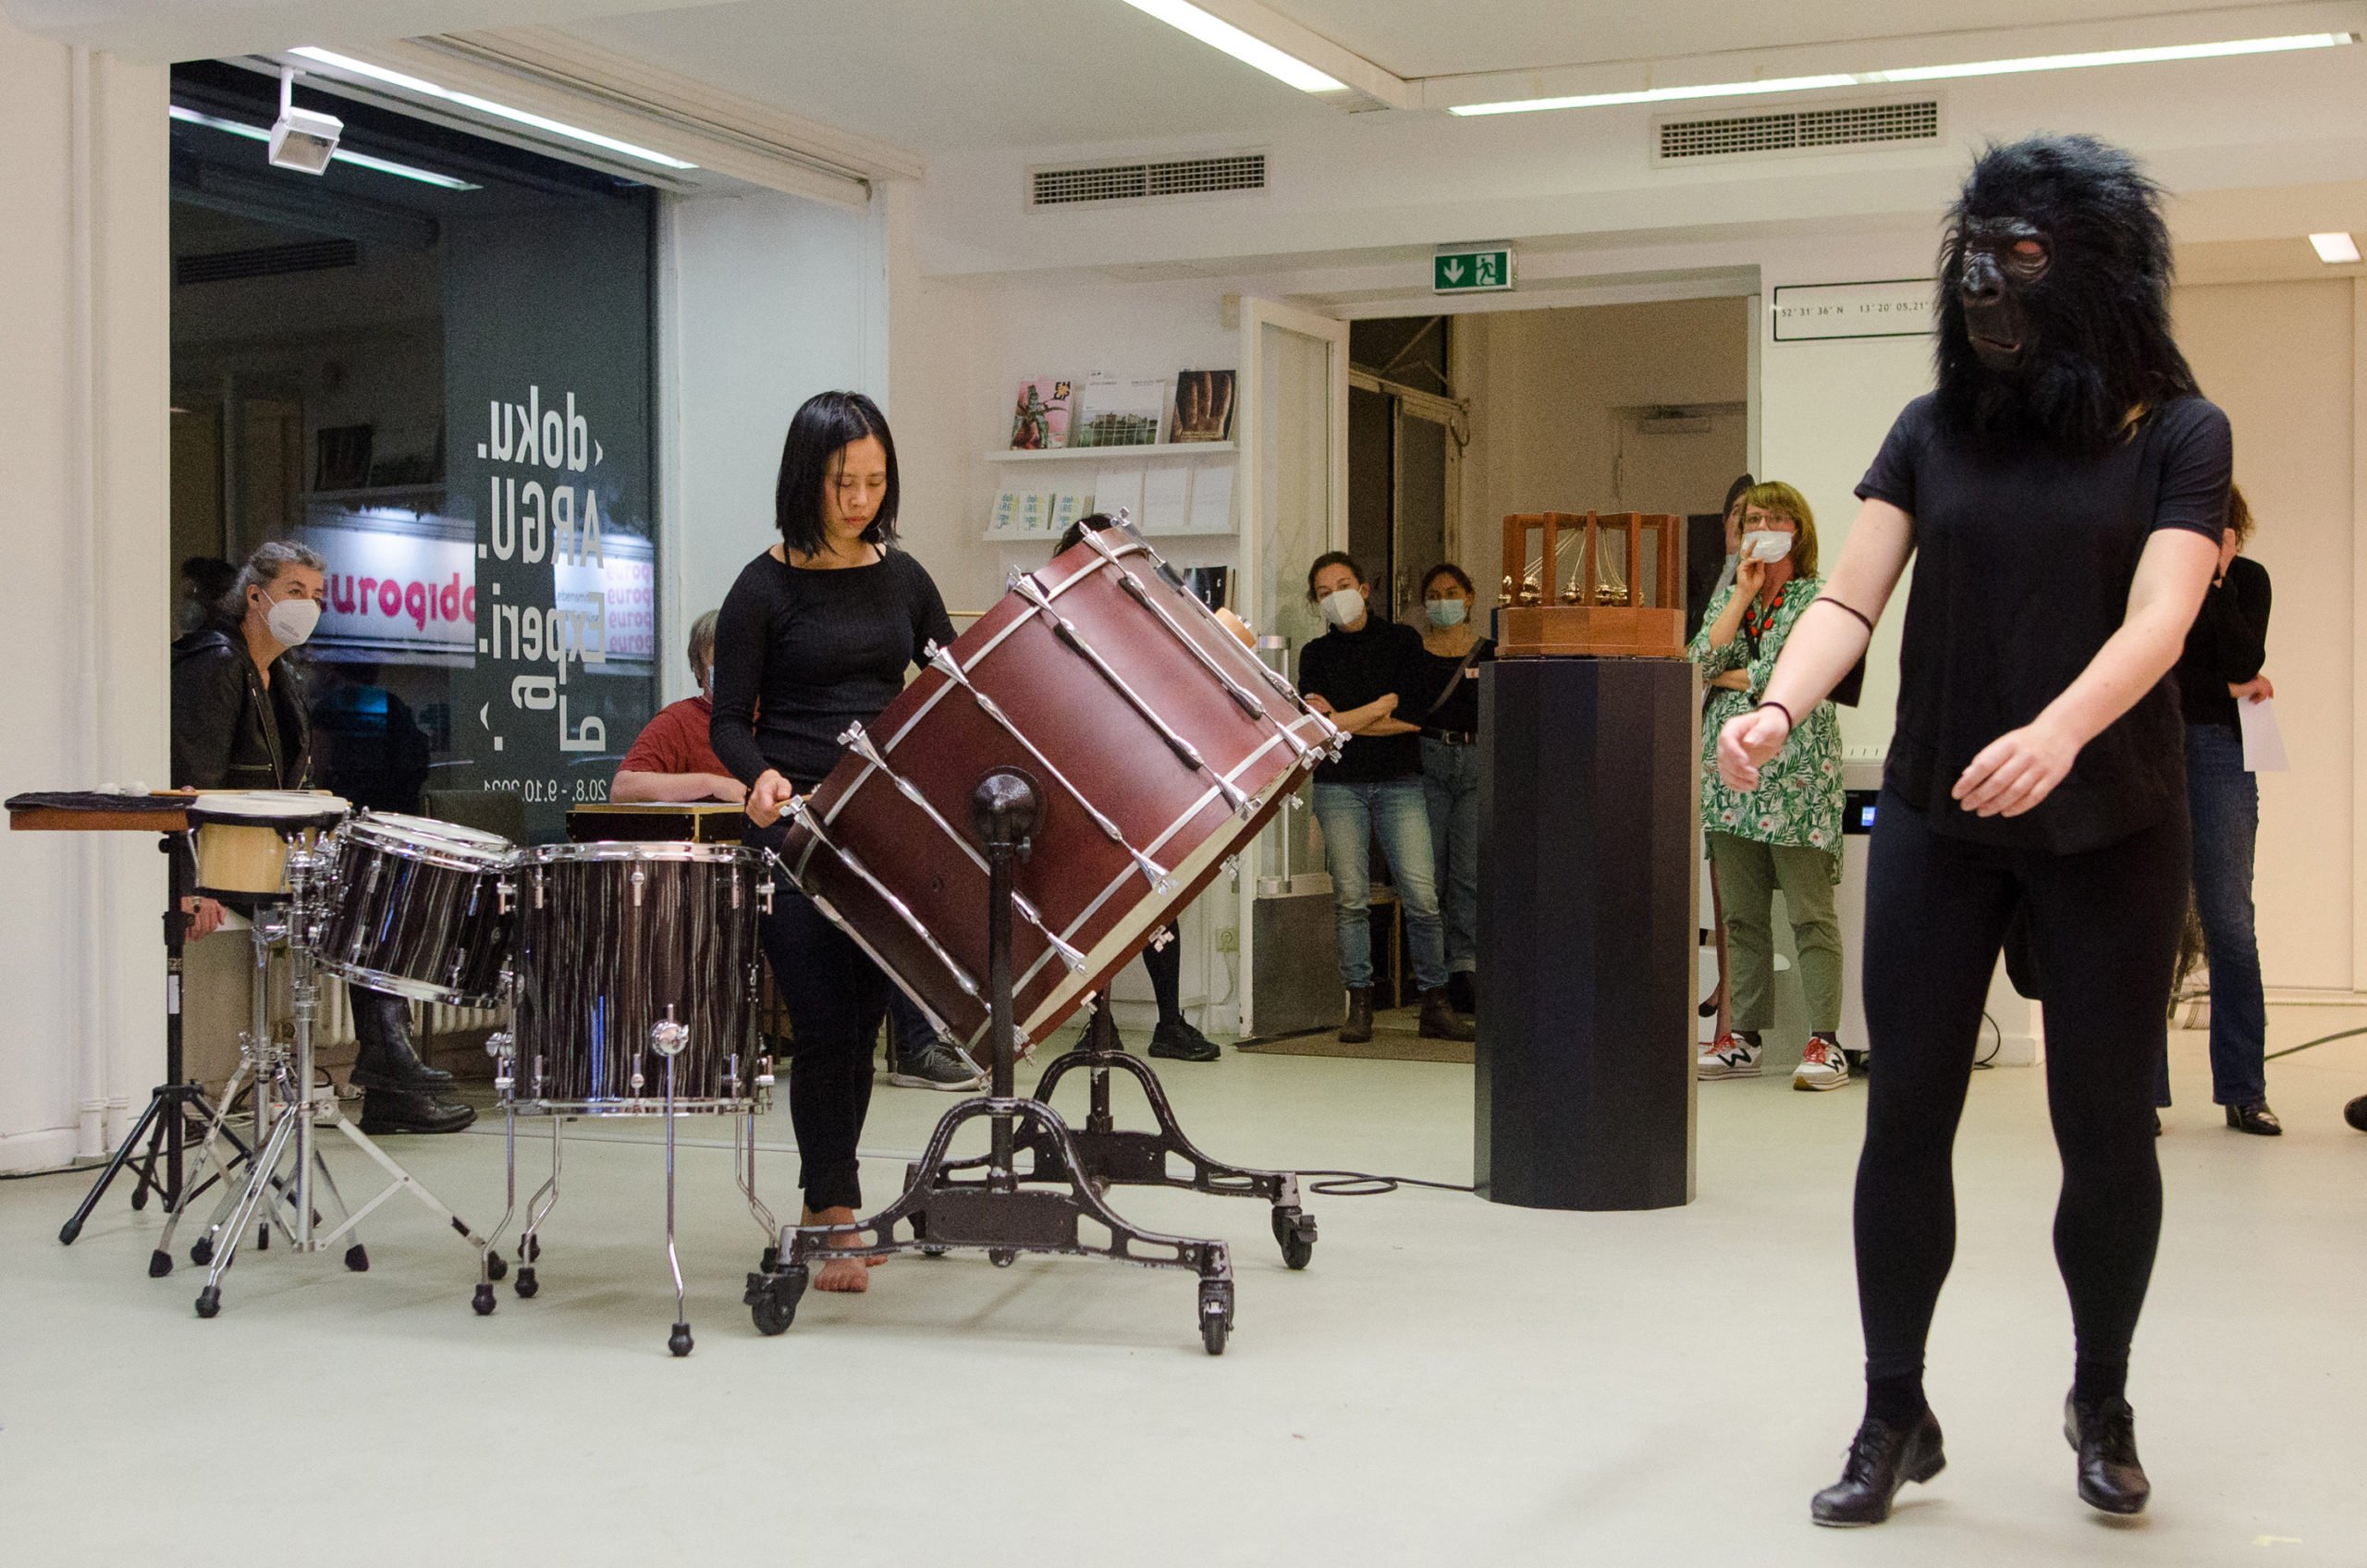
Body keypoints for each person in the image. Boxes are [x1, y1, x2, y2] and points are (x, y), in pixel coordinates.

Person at [1720, 136, 2226, 1525]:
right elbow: (1848, 598)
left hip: (2112, 815)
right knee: (1906, 1120)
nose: (1992, 286)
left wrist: (2062, 730)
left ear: (2094, 272)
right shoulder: (1928, 428)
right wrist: (1776, 704)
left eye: (2027, 257)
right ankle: (1893, 1407)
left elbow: (2164, 619)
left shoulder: (2179, 433)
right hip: (1947, 808)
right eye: (1977, 255)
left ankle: (2101, 1398)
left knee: (2107, 1128)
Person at [710, 390, 963, 1292]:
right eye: (842, 481)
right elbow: (728, 721)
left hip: (881, 828)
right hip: (796, 829)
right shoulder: (762, 586)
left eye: (874, 480)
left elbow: (955, 687)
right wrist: (761, 778)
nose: (859, 497)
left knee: (861, 1024)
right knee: (822, 1024)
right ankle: (835, 1208)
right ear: (805, 480)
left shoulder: (904, 578)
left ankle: (831, 1202)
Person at [171, 541, 472, 1135]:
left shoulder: (278, 672)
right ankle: (389, 1072)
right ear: (255, 596)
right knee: (370, 897)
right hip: (232, 864)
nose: (307, 607)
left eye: (315, 596)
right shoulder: (216, 662)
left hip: (273, 854)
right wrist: (192, 883)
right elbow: (191, 782)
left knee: (385, 881)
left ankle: (389, 1074)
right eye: (294, 593)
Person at [1687, 483, 1850, 1091]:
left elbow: (1784, 673)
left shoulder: (1820, 595)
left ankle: (1825, 1041)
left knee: (1811, 916)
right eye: (1755, 517)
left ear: (1798, 531)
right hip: (1731, 785)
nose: (1764, 524)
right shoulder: (1736, 593)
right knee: (1742, 917)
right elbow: (1696, 663)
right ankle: (1744, 1038)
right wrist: (1745, 593)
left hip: (1797, 780)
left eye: (1777, 517)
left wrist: (1735, 677)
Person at [1051, 514, 1226, 1061]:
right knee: (1097, 900)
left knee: (1158, 895)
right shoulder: (1052, 607)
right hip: (1081, 766)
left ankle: (1168, 1021)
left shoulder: (1140, 600)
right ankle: (1099, 1022)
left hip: (1138, 765)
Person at [1297, 551, 1472, 1045]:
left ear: (1366, 589)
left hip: (1400, 781)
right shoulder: (1314, 654)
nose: (1336, 596)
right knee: (1350, 899)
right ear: (1315, 601)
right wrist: (1376, 707)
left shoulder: (1401, 641)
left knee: (1421, 895)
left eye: (1344, 584)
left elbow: (1415, 718)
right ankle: (1360, 1003)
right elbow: (1317, 731)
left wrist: (1344, 722)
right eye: (1325, 591)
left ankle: (1435, 1002)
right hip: (1338, 788)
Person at [2157, 485, 2279, 1134]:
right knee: (2152, 918)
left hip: (2221, 754)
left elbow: (2245, 657)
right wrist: (2230, 687)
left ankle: (2243, 1090)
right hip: (2153, 745)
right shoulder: (2149, 575)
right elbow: (2156, 669)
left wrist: (2218, 581)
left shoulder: (2248, 580)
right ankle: (2140, 1095)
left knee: (2230, 922)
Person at [1411, 564, 1492, 1017]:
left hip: (1477, 760)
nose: (1444, 600)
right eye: (1435, 593)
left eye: (1452, 592)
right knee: (1430, 875)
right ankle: (1433, 979)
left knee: (1468, 874)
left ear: (1470, 596)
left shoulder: (1490, 652)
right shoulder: (1414, 653)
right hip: (1428, 758)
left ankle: (1467, 971)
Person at [610, 610, 747, 804]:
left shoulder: (778, 718)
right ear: (699, 669)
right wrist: (709, 784)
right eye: (720, 661)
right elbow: (623, 789)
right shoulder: (680, 720)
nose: (734, 670)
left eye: (742, 661)